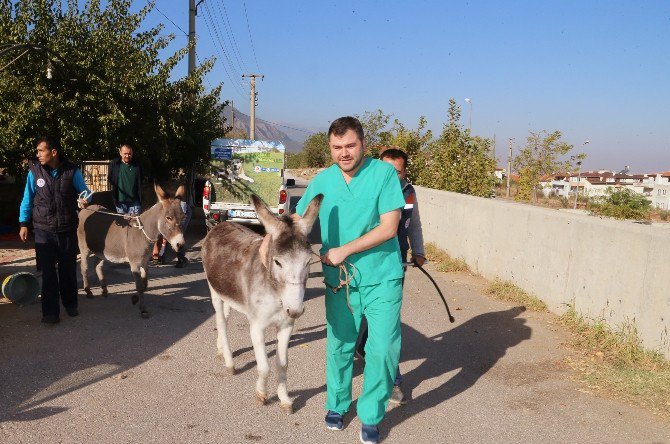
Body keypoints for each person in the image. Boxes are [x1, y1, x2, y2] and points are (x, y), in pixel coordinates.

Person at [294, 117, 405, 444]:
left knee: (383, 348)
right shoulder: (323, 181)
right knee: (340, 345)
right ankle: (338, 403)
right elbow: (300, 221)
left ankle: (371, 414)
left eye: (350, 146)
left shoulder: (384, 174)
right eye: (337, 147)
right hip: (339, 282)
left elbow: (389, 227)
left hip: (382, 277)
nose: (344, 153)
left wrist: (344, 250)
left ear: (363, 145)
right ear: (330, 147)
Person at [355, 147, 426, 406]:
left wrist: (418, 251)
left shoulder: (409, 193)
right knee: (361, 317)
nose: (390, 175)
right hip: (364, 264)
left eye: (396, 171)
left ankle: (393, 382)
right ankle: (360, 348)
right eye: (385, 169)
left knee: (387, 326)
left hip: (394, 267)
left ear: (404, 172)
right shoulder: (365, 188)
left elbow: (413, 225)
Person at [19, 136, 91, 324]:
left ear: (53, 152)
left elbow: (85, 191)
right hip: (43, 230)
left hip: (67, 229)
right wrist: (23, 223)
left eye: (41, 151)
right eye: (37, 151)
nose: (38, 155)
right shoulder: (34, 172)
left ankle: (70, 303)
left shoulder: (71, 171)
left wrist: (85, 200)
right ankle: (50, 312)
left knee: (67, 270)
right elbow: (27, 198)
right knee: (48, 272)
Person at [151, 199, 191, 268]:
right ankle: (159, 257)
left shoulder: (176, 209)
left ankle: (181, 259)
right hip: (167, 216)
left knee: (175, 237)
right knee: (160, 237)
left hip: (184, 212)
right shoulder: (155, 210)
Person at [108, 143, 143, 215]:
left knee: (135, 224)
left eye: (129, 154)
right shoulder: (114, 164)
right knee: (123, 225)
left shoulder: (137, 165)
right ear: (120, 153)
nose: (127, 156)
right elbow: (110, 178)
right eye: (125, 154)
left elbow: (141, 180)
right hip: (120, 203)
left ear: (132, 153)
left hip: (135, 203)